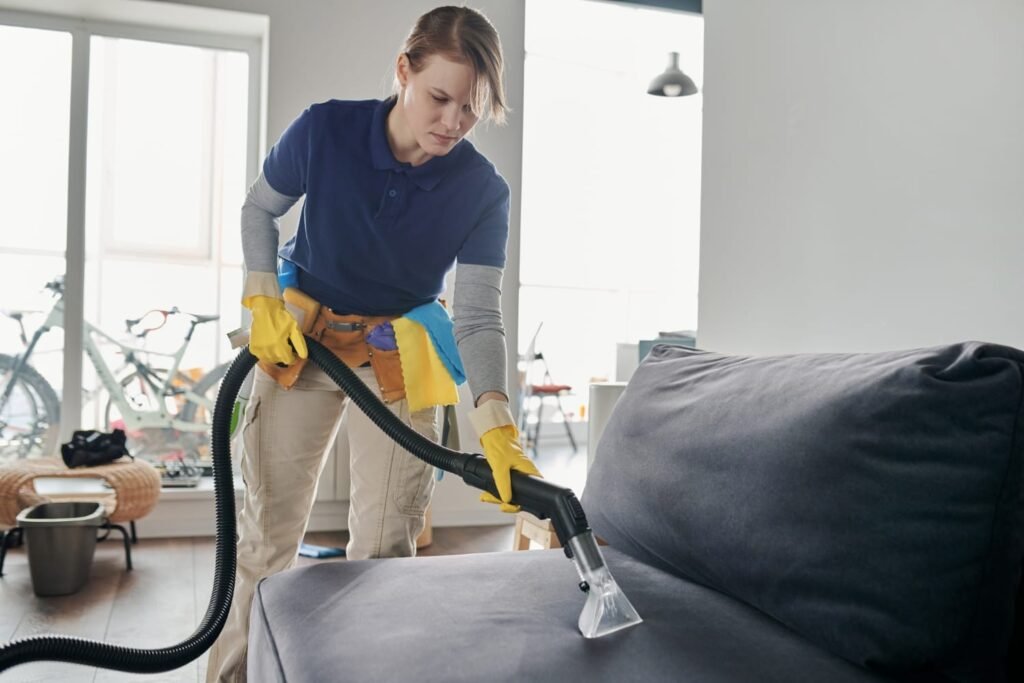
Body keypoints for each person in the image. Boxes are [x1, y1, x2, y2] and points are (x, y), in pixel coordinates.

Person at [206, 6, 543, 682]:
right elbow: (258, 209)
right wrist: (261, 291)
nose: (452, 122)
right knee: (266, 537)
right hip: (303, 342)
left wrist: (496, 420)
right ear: (403, 71)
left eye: (470, 109)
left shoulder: (482, 190)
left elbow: (477, 313)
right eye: (439, 97)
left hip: (397, 353)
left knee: (387, 548)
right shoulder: (325, 130)